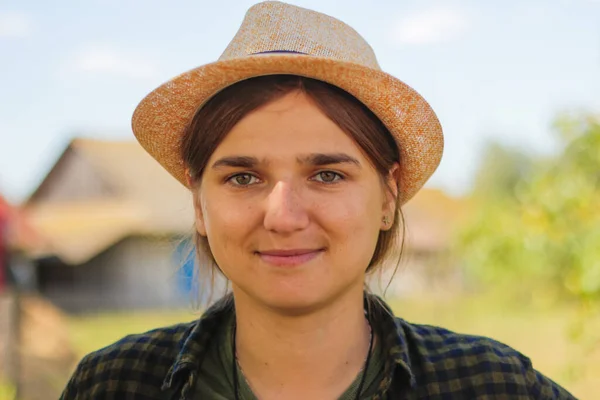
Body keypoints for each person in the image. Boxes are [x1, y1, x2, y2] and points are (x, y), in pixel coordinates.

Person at [60, 2, 576, 399]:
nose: (283, 216)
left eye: (327, 174)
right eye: (242, 178)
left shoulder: (490, 385)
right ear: (198, 204)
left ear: (387, 198)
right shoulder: (114, 384)